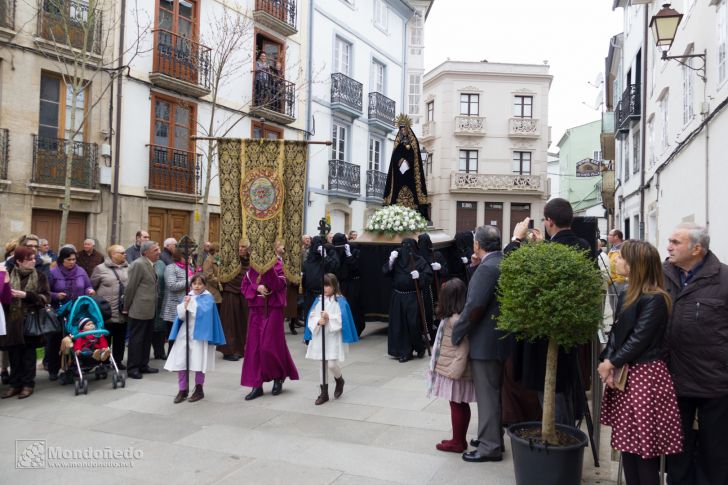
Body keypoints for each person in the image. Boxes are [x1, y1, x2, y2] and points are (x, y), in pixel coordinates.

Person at [599, 240, 683, 485]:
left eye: (623, 257)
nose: (618, 261)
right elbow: (617, 331)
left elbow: (639, 339)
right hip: (626, 372)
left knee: (644, 448)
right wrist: (608, 360)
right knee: (628, 444)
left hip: (645, 376)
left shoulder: (656, 298)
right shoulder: (627, 291)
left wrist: (610, 363)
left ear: (636, 264)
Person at [504, 198, 592, 427]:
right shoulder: (583, 246)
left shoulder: (549, 252)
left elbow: (509, 268)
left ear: (549, 221)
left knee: (552, 390)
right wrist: (543, 247)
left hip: (546, 334)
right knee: (565, 385)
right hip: (572, 330)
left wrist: (516, 239)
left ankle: (558, 431)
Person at [662, 224, 728, 485]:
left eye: (675, 242)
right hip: (674, 379)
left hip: (714, 381)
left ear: (697, 248)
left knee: (716, 449)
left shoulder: (723, 279)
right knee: (677, 448)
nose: (669, 246)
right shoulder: (663, 274)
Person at [451, 225, 508, 462]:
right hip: (498, 339)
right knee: (492, 394)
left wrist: (457, 332)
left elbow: (474, 306)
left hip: (486, 342)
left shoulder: (489, 267)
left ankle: (489, 446)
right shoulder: (498, 262)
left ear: (477, 245)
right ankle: (492, 438)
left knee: (487, 396)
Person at [241, 245, 299, 400]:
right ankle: (256, 384)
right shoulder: (250, 269)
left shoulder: (278, 266)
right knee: (254, 347)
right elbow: (245, 287)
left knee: (269, 345)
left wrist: (268, 270)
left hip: (273, 309)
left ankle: (277, 377)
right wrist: (256, 287)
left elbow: (279, 285)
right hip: (256, 310)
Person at [427, 278, 475, 453]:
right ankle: (459, 439)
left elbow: (463, 348)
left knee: (457, 404)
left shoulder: (456, 320)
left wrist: (455, 371)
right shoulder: (458, 316)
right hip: (454, 368)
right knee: (460, 404)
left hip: (455, 371)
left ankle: (458, 442)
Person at [165, 274, 226, 403]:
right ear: (191, 284)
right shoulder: (189, 296)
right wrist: (185, 305)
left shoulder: (208, 298)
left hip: (199, 335)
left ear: (204, 285)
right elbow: (181, 316)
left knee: (198, 362)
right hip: (184, 333)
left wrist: (191, 305)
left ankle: (199, 388)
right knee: (181, 361)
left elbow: (204, 313)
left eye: (200, 284)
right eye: (194, 283)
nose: (197, 286)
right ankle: (182, 389)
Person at [0, 246, 51, 399]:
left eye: (34, 259)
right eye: (30, 260)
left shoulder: (40, 276)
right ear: (19, 261)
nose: (34, 261)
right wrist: (8, 290)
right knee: (14, 355)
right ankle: (15, 385)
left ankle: (28, 385)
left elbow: (45, 298)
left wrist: (26, 295)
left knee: (29, 356)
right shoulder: (8, 274)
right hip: (13, 321)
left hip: (31, 321)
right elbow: (2, 297)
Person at [304, 273, 359, 405]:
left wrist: (330, 318)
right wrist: (318, 321)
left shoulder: (340, 301)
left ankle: (339, 379)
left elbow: (343, 320)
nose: (325, 288)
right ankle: (324, 393)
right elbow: (311, 316)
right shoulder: (318, 300)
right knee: (322, 364)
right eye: (323, 285)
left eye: (328, 285)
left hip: (333, 337)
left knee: (332, 364)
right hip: (320, 336)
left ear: (334, 286)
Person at [48, 247, 95, 380]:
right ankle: (53, 368)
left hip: (77, 311)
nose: (72, 262)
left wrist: (90, 290)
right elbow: (46, 292)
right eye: (69, 260)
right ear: (62, 260)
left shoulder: (81, 271)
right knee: (57, 340)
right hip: (60, 311)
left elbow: (87, 285)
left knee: (77, 338)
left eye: (74, 259)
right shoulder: (53, 273)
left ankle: (75, 366)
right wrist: (56, 295)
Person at [383, 238, 433, 363]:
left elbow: (428, 276)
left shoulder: (419, 261)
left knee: (413, 324)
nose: (405, 249)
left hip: (413, 296)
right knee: (399, 325)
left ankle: (419, 346)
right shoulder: (397, 259)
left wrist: (420, 276)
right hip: (398, 296)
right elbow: (386, 272)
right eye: (403, 246)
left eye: (408, 246)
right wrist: (391, 261)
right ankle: (405, 351)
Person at [123, 241, 161, 379]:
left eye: (159, 249)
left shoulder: (151, 264)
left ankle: (143, 365)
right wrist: (126, 307)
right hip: (139, 309)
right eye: (155, 249)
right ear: (145, 252)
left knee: (146, 338)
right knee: (137, 339)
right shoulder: (138, 264)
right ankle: (133, 368)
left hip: (150, 309)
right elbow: (130, 287)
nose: (159, 252)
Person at [90, 245, 129, 369]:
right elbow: (92, 287)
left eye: (124, 253)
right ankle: (104, 362)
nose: (125, 255)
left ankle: (118, 361)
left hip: (122, 311)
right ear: (113, 255)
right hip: (106, 311)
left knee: (120, 338)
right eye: (121, 253)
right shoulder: (100, 269)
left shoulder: (129, 268)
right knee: (105, 337)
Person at [382, 123, 429, 220]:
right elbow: (395, 156)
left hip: (411, 174)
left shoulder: (413, 142)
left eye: (404, 129)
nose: (403, 131)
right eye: (401, 129)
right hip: (399, 174)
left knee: (413, 191)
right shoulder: (397, 143)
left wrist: (408, 161)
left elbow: (415, 156)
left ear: (408, 130)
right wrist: (400, 160)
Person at [218, 239, 250, 361]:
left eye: (243, 247)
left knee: (243, 322)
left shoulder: (251, 261)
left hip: (244, 296)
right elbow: (223, 277)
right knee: (230, 324)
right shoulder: (230, 261)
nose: (241, 249)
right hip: (231, 295)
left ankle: (242, 348)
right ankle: (229, 350)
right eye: (239, 247)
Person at [301, 236, 339, 338]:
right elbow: (304, 279)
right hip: (309, 294)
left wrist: (325, 255)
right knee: (311, 316)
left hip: (322, 294)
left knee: (322, 317)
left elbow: (333, 267)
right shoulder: (308, 262)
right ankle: (309, 338)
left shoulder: (324, 260)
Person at [160, 249, 193, 359]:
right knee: (173, 334)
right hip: (173, 306)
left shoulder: (190, 268)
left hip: (187, 305)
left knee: (184, 334)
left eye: (189, 257)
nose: (189, 259)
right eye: (186, 257)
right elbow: (172, 285)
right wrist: (190, 280)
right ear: (179, 257)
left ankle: (183, 358)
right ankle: (172, 358)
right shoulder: (171, 268)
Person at [331, 233, 364, 336]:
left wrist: (349, 255)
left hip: (353, 283)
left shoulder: (354, 250)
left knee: (353, 307)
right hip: (341, 283)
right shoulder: (335, 251)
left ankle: (356, 330)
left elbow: (356, 267)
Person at [418, 233, 448, 341]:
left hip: (434, 288)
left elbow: (445, 272)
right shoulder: (417, 256)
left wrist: (439, 268)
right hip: (422, 289)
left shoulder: (437, 255)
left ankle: (435, 334)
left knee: (435, 311)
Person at [275, 240, 302, 335]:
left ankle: (292, 325)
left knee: (292, 307)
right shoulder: (275, 259)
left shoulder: (287, 259)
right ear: (277, 248)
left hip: (291, 284)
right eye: (282, 246)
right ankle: (279, 328)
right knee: (282, 308)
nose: (284, 248)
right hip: (282, 285)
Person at [607, 229, 626, 312]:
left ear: (616, 237)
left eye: (610, 235)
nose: (608, 237)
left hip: (618, 282)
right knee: (613, 307)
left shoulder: (624, 249)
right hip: (611, 281)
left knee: (618, 306)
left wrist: (619, 280)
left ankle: (618, 323)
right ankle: (615, 323)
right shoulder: (613, 248)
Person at [201, 242, 222, 311]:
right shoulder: (208, 260)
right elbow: (209, 277)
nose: (220, 253)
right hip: (213, 291)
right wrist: (220, 282)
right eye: (218, 251)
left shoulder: (217, 259)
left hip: (219, 292)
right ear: (214, 251)